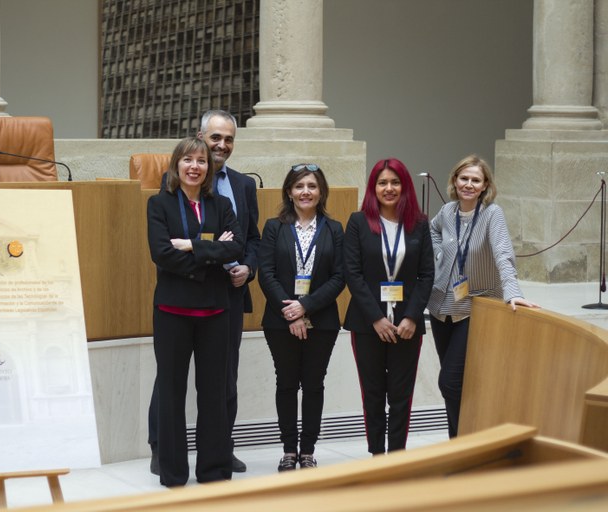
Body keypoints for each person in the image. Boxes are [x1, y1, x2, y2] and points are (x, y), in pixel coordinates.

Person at [148, 110, 260, 475]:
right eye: (189, 159)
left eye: (228, 139)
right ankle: (168, 460)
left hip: (220, 302)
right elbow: (162, 252)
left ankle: (216, 460)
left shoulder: (232, 195)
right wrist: (211, 255)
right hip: (176, 304)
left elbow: (242, 243)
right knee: (171, 387)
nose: (196, 165)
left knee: (218, 387)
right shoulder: (163, 199)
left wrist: (192, 247)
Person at [427, 154, 539, 438]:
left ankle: (464, 442)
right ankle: (460, 444)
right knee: (457, 386)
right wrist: (439, 254)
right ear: (455, 180)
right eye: (463, 178)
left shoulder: (492, 214)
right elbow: (432, 230)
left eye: (475, 180)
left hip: (474, 307)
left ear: (485, 185)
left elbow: (503, 254)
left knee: (450, 382)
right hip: (442, 308)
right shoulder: (448, 211)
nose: (468, 184)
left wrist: (512, 292)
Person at [343, 158, 434, 455]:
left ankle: (396, 456)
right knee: (372, 394)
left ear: (405, 187)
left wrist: (412, 317)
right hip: (367, 324)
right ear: (373, 188)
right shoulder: (358, 222)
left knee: (400, 395)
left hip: (407, 325)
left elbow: (426, 275)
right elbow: (352, 274)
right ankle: (377, 454)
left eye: (395, 182)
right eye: (382, 183)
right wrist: (376, 318)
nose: (389, 188)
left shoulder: (420, 224)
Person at [257, 163, 345, 471]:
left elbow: (339, 276)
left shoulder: (334, 229)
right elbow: (266, 273)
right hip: (279, 321)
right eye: (299, 186)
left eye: (311, 186)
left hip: (322, 320)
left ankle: (307, 450)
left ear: (321, 192)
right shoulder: (274, 227)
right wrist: (290, 312)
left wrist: (304, 306)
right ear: (289, 192)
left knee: (314, 384)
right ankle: (288, 450)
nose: (305, 192)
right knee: (286, 384)